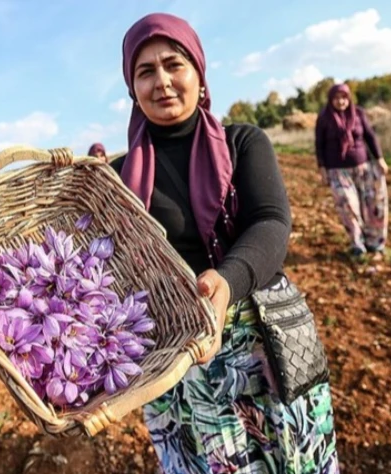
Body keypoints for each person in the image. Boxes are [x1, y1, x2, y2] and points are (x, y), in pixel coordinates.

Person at [110, 13, 339, 473]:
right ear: (132, 88)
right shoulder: (116, 179)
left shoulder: (243, 143)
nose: (162, 82)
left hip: (261, 342)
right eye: (145, 71)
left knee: (294, 460)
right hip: (178, 358)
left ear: (198, 71)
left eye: (174, 64)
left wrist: (226, 282)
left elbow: (270, 223)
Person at [314, 83, 389, 257]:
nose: (340, 101)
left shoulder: (359, 114)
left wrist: (380, 159)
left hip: (364, 168)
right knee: (347, 205)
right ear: (330, 100)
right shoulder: (324, 118)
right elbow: (319, 145)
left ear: (349, 99)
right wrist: (322, 168)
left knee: (373, 205)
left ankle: (375, 242)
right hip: (338, 171)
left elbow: (370, 136)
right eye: (336, 98)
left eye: (344, 98)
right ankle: (357, 243)